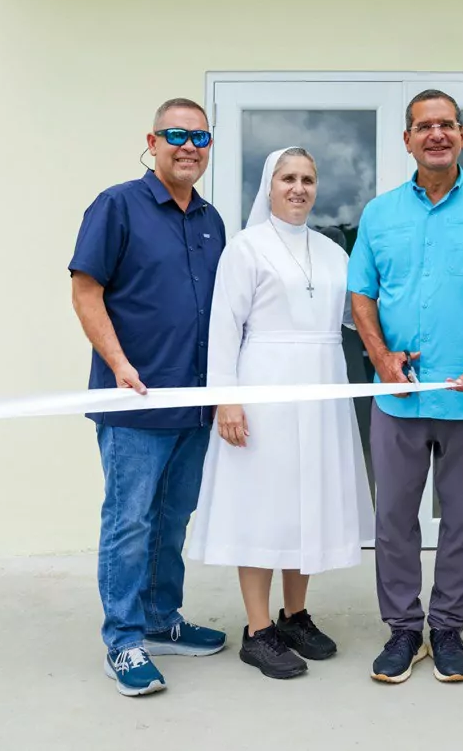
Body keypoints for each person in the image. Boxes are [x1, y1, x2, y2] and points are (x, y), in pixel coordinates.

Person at [348, 89, 463, 684]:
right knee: (394, 519)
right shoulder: (379, 213)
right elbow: (361, 293)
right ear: (406, 139)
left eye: (447, 125)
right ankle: (404, 630)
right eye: (423, 126)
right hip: (398, 396)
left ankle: (449, 628)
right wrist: (379, 358)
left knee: (462, 520)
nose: (436, 134)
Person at [187, 147, 373, 680]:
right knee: (262, 503)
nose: (299, 188)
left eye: (308, 179)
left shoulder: (333, 250)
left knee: (305, 500)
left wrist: (398, 348)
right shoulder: (245, 249)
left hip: (321, 385)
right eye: (288, 178)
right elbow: (224, 328)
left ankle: (294, 616)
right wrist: (226, 398)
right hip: (264, 384)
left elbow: (357, 317)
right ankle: (258, 628)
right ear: (269, 185)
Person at [68, 98, 228, 697]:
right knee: (128, 520)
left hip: (194, 401)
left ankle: (162, 621)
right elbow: (86, 291)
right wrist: (119, 365)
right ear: (152, 140)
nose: (189, 146)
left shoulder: (211, 220)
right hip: (133, 399)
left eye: (200, 137)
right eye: (177, 134)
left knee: (172, 516)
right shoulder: (117, 205)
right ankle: (124, 642)